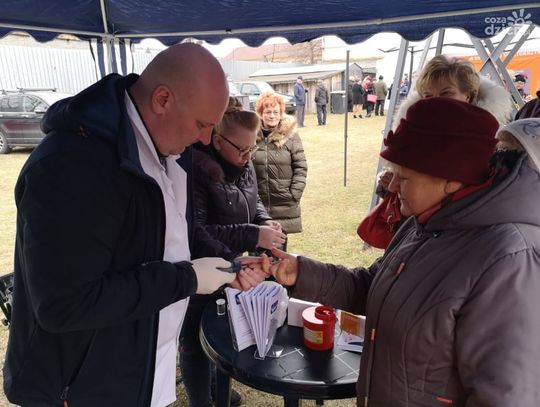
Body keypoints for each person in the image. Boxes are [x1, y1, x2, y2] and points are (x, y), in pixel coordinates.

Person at [3, 44, 265, 407]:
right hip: (79, 386)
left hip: (138, 370)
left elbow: (177, 230)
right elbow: (64, 304)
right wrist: (187, 278)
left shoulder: (172, 150)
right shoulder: (71, 165)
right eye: (202, 124)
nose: (206, 140)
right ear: (162, 100)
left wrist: (228, 263)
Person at [265, 97, 540, 407]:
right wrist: (302, 272)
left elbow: (506, 396)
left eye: (404, 177)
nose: (392, 186)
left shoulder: (508, 260)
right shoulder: (425, 222)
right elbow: (374, 285)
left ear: (451, 179)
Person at [181, 97, 286, 407]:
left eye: (252, 149)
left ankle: (219, 387)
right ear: (217, 140)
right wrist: (253, 234)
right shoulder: (194, 170)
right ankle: (202, 401)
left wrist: (264, 222)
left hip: (233, 264)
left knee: (220, 334)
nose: (247, 156)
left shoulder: (243, 159)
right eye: (242, 150)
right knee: (193, 343)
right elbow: (196, 232)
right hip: (201, 269)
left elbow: (253, 200)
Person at [359, 54, 514, 249]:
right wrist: (396, 181)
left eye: (446, 93)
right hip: (417, 235)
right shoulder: (417, 129)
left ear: (468, 94)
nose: (436, 102)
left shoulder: (492, 140)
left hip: (455, 240)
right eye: (428, 96)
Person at [252, 91, 307, 238]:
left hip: (284, 204)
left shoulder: (291, 136)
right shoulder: (251, 135)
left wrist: (294, 194)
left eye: (276, 112)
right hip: (257, 206)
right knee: (257, 248)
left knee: (279, 250)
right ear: (260, 114)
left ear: (281, 113)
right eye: (268, 112)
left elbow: (301, 167)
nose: (272, 116)